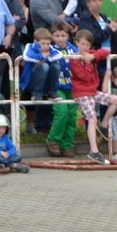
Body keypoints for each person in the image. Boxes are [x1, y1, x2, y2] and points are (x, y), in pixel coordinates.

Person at [70, 28, 117, 163]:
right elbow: (84, 77)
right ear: (76, 43)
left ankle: (104, 125)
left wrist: (93, 56)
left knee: (116, 100)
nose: (85, 47)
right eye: (82, 44)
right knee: (92, 118)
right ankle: (94, 151)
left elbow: (106, 51)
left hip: (93, 91)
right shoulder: (74, 59)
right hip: (82, 93)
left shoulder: (90, 53)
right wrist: (87, 62)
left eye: (87, 45)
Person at [45, 21, 77, 157]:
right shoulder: (49, 50)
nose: (60, 38)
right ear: (52, 36)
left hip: (72, 86)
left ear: (68, 36)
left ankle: (67, 143)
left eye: (63, 35)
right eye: (57, 35)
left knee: (71, 115)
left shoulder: (74, 50)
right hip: (57, 87)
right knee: (62, 112)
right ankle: (53, 139)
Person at [19, 27, 63, 101]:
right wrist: (41, 56)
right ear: (36, 41)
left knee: (56, 66)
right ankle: (36, 94)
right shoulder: (30, 46)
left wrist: (47, 58)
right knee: (44, 66)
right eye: (43, 43)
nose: (46, 46)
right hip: (30, 82)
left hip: (45, 82)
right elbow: (26, 56)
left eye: (48, 43)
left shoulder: (50, 48)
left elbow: (59, 54)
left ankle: (52, 93)